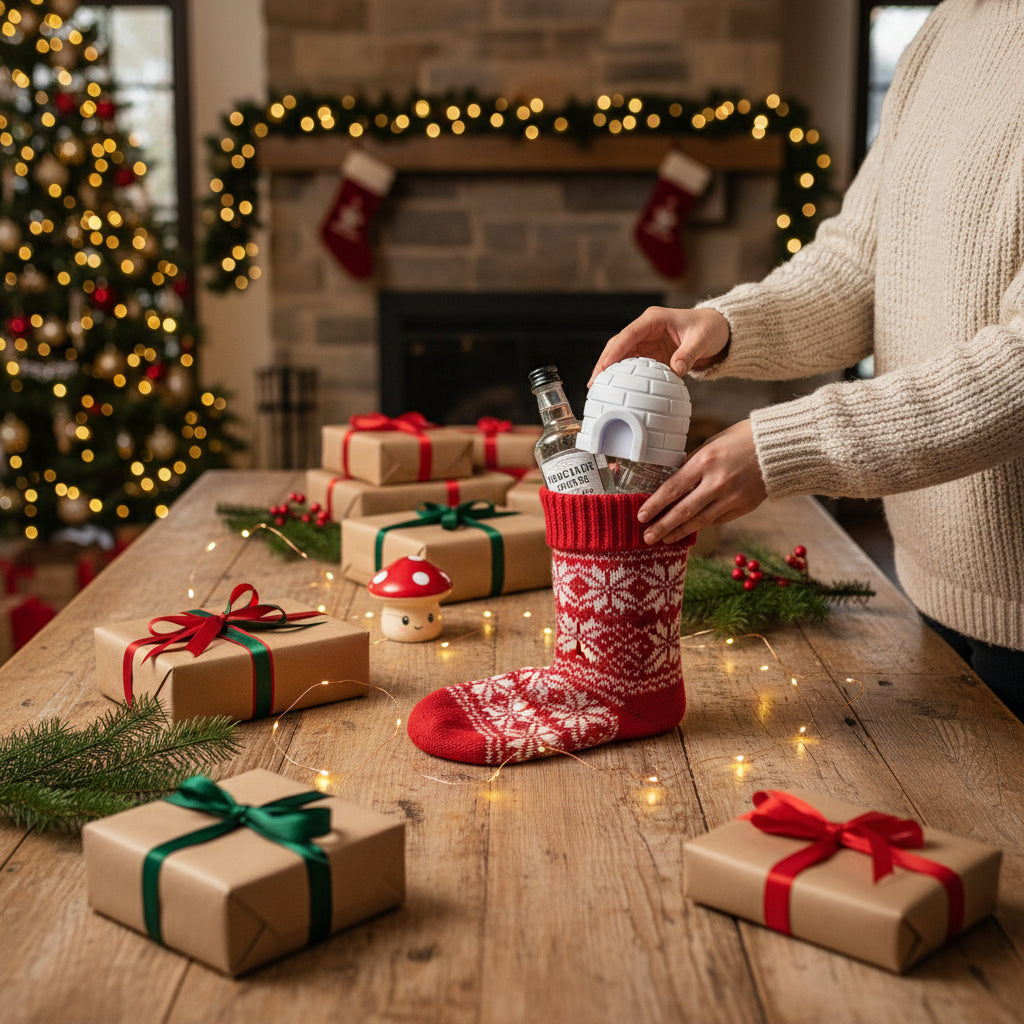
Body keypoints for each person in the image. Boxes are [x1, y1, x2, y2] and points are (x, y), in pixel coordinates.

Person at [590, 0, 1024, 714]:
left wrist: (782, 447)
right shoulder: (951, 28)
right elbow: (859, 262)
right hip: (929, 587)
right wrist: (724, 324)